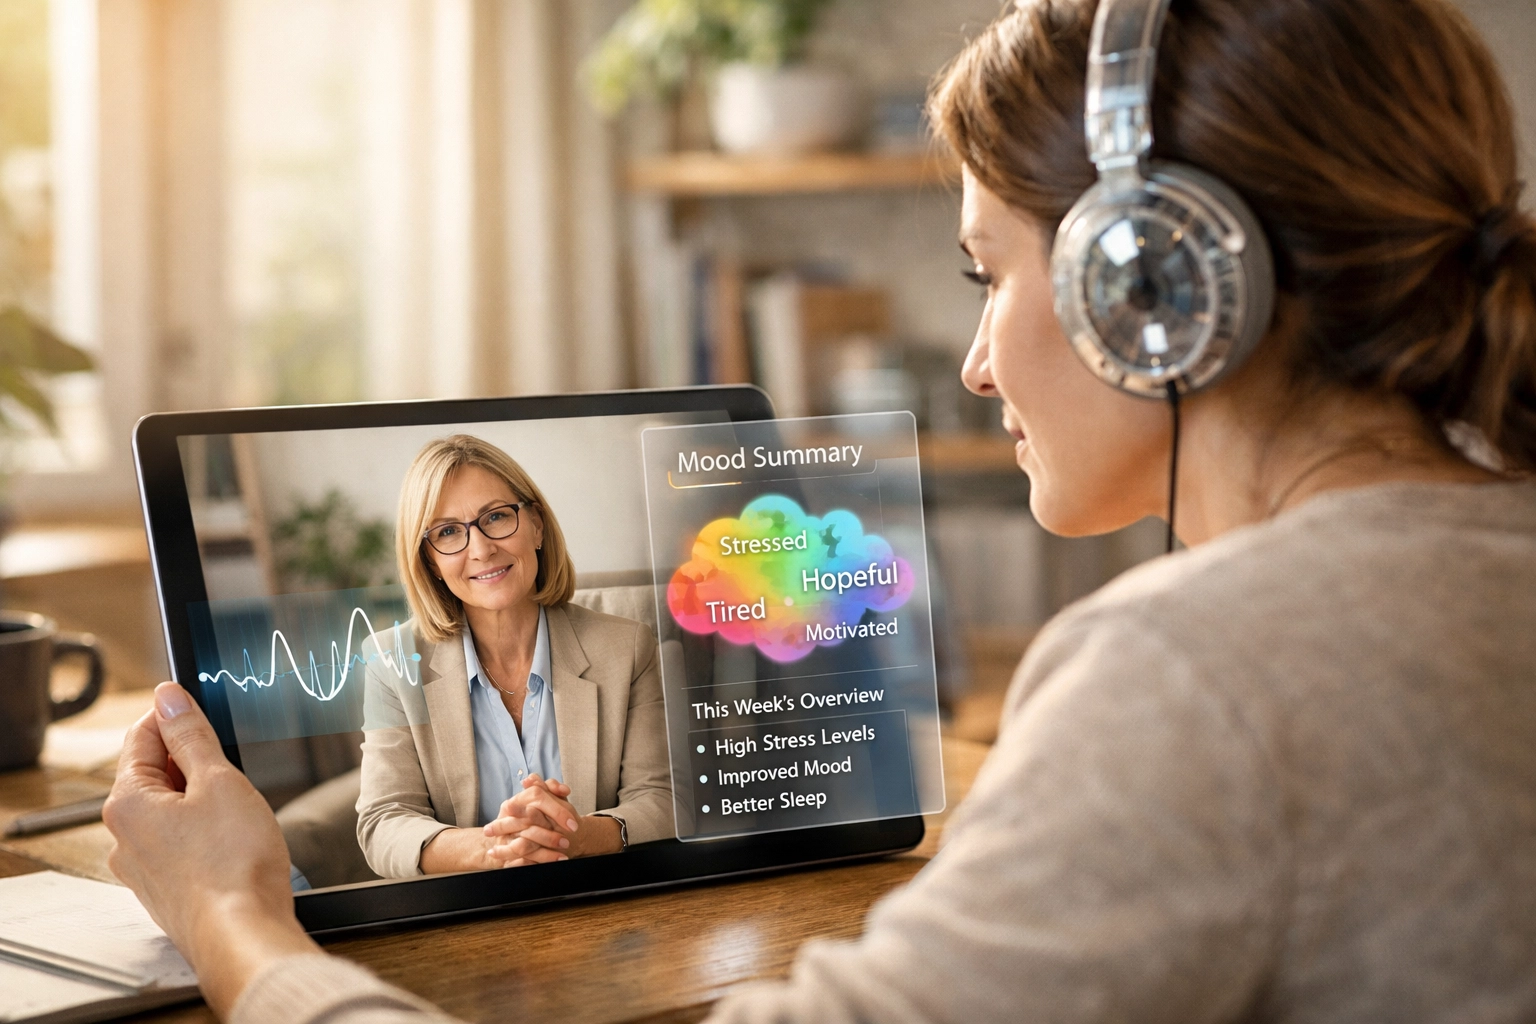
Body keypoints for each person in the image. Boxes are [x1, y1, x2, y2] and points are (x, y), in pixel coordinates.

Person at [104, 0, 1536, 1020]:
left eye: (986, 273)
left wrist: (230, 920)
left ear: (1148, 284)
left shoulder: (1189, 675)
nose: (976, 363)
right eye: (449, 532)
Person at [356, 434, 671, 878]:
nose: (481, 549)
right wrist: (495, 848)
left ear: (536, 525)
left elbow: (663, 801)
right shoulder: (391, 661)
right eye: (448, 532)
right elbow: (384, 823)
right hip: (473, 909)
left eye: (496, 517)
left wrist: (579, 837)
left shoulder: (627, 647)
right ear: (429, 561)